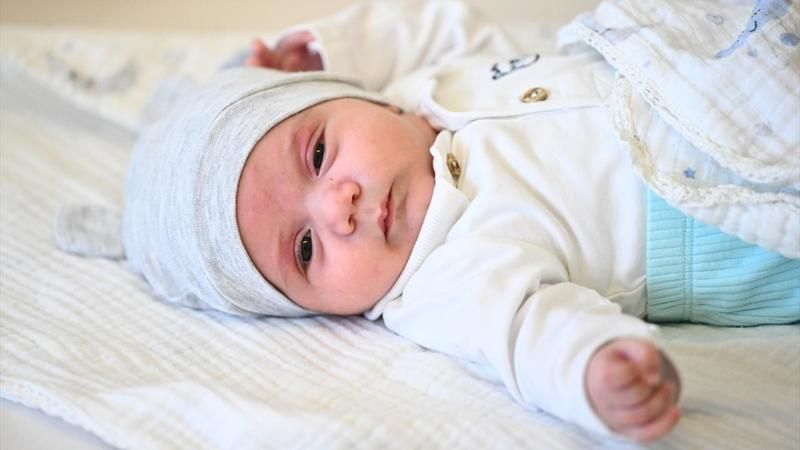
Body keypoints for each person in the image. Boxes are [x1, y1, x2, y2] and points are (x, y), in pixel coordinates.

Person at [60, 0, 797, 443]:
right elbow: (524, 332)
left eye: (316, 153)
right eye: (305, 249)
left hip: (696, 61)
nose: (338, 206)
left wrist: (328, 49)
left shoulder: (425, 88)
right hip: (719, 218)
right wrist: (595, 368)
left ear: (353, 94)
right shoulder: (443, 278)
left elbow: (443, 20)